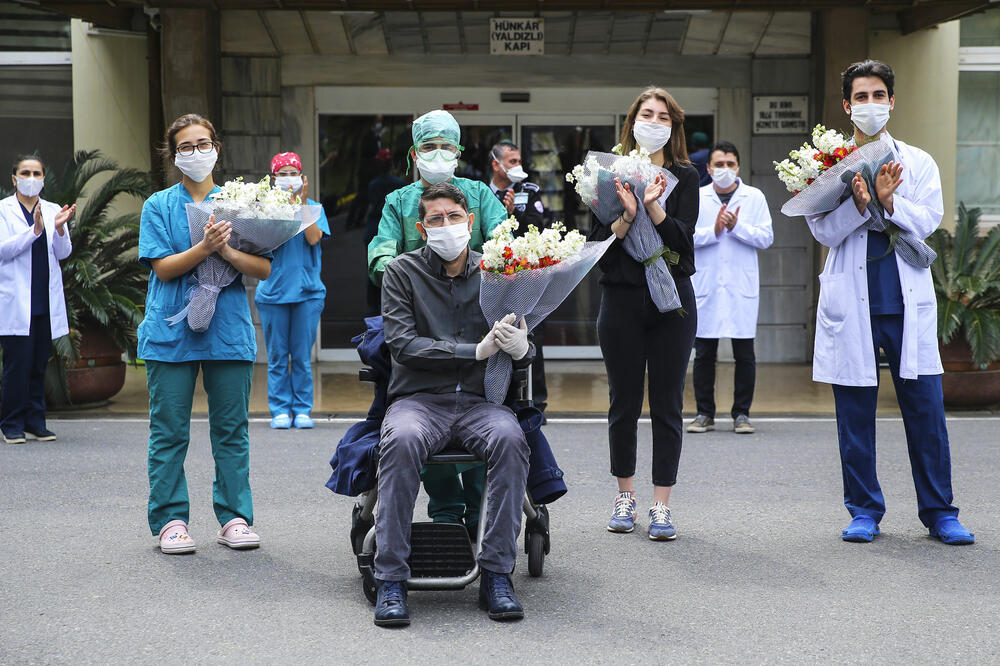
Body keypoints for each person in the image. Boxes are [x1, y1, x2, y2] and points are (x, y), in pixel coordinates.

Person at [806, 60, 974, 545]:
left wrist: (887, 202)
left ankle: (941, 512)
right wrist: (860, 206)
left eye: (879, 95)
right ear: (846, 105)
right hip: (853, 306)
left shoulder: (917, 163)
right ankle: (863, 511)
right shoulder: (828, 167)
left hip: (907, 305)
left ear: (893, 101)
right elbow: (822, 231)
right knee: (854, 415)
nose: (871, 105)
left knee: (927, 413)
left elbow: (927, 220)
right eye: (861, 97)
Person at [373, 182, 532, 627]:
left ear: (471, 222)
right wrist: (471, 352)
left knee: (509, 438)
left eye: (454, 217)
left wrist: (522, 348)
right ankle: (391, 580)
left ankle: (497, 574)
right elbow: (402, 345)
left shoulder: (500, 272)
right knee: (400, 441)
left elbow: (526, 341)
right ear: (422, 229)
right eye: (436, 220)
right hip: (420, 401)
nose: (447, 226)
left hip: (482, 402)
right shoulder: (401, 273)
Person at [367, 109, 509, 533]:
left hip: (477, 315)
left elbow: (507, 248)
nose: (439, 154)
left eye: (448, 146)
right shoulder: (399, 201)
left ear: (460, 152)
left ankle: (481, 507)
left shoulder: (479, 194)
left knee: (496, 411)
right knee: (419, 414)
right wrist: (409, 276)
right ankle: (447, 508)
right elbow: (381, 252)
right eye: (430, 146)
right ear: (414, 153)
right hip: (417, 320)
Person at [138, 113, 272, 554]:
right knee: (169, 430)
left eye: (203, 144)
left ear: (217, 146)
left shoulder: (244, 202)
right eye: (186, 147)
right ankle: (170, 520)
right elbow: (163, 267)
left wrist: (228, 250)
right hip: (170, 329)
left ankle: (234, 517)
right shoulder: (158, 206)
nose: (196, 153)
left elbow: (264, 269)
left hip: (227, 328)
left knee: (231, 429)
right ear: (173, 154)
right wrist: (205, 248)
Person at [589, 87, 700, 540]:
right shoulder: (607, 172)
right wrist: (625, 216)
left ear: (673, 127)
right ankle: (625, 496)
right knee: (624, 401)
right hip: (621, 299)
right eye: (645, 114)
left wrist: (652, 207)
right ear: (631, 120)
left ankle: (661, 504)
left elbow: (685, 247)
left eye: (662, 116)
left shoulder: (685, 176)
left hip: (672, 302)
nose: (652, 122)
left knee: (668, 404)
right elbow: (597, 244)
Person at [688, 141, 773, 435]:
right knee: (704, 354)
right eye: (719, 165)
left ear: (738, 166)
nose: (725, 170)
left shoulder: (754, 197)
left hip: (740, 286)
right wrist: (714, 231)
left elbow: (766, 237)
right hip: (707, 285)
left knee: (744, 354)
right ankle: (704, 413)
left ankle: (741, 414)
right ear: (709, 169)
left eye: (730, 164)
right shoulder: (697, 198)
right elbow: (684, 237)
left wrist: (737, 228)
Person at [1, 155, 75, 444]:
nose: (31, 178)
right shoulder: (3, 211)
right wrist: (35, 230)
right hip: (16, 302)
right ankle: (11, 423)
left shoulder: (52, 209)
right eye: (25, 172)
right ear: (14, 178)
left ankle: (36, 420)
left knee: (38, 365)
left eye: (36, 173)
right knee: (17, 365)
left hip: (44, 300)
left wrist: (57, 228)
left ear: (44, 178)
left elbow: (63, 252)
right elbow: (4, 250)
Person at [256, 151, 331, 430]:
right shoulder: (264, 208)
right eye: (282, 174)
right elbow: (262, 244)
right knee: (277, 356)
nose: (288, 179)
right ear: (273, 178)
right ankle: (279, 409)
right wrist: (278, 208)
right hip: (273, 295)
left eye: (293, 173)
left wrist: (300, 204)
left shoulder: (314, 208)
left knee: (301, 357)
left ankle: (301, 409)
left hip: (307, 295)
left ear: (302, 178)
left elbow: (313, 238)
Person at [488, 140, 549, 414]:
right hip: (493, 275)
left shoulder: (529, 190)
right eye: (512, 162)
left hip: (525, 275)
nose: (517, 166)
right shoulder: (480, 193)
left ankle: (536, 402)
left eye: (519, 161)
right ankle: (498, 398)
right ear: (496, 164)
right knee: (496, 334)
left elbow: (540, 226)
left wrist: (516, 215)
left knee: (530, 332)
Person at [364, 148, 405, 315]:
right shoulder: (400, 185)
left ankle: (374, 307)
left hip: (373, 227)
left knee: (374, 264)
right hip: (388, 227)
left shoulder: (373, 184)